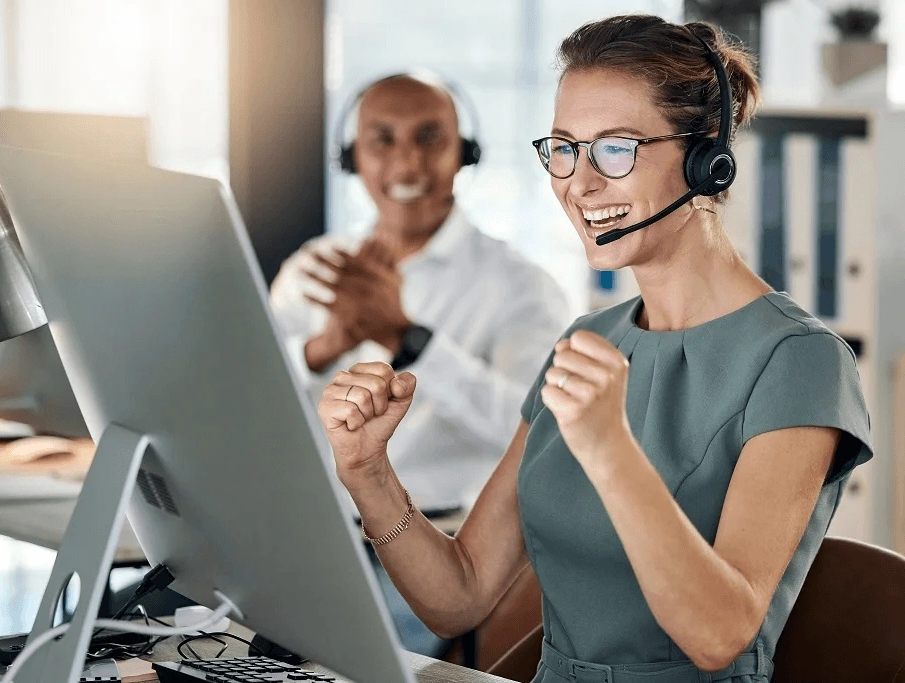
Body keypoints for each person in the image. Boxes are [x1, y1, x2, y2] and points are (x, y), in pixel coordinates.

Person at [317, 15, 872, 683]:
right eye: (563, 147)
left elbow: (719, 633)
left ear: (706, 156)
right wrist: (367, 472)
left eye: (615, 148)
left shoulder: (799, 360)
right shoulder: (585, 342)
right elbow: (457, 596)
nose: (578, 183)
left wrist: (611, 451)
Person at [270, 73, 573, 513]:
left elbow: (541, 433)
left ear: (463, 154)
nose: (408, 163)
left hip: (451, 538)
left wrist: (407, 338)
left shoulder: (521, 285)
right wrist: (323, 348)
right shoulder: (311, 268)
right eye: (382, 140)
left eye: (429, 138)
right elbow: (250, 407)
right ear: (352, 156)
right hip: (320, 527)